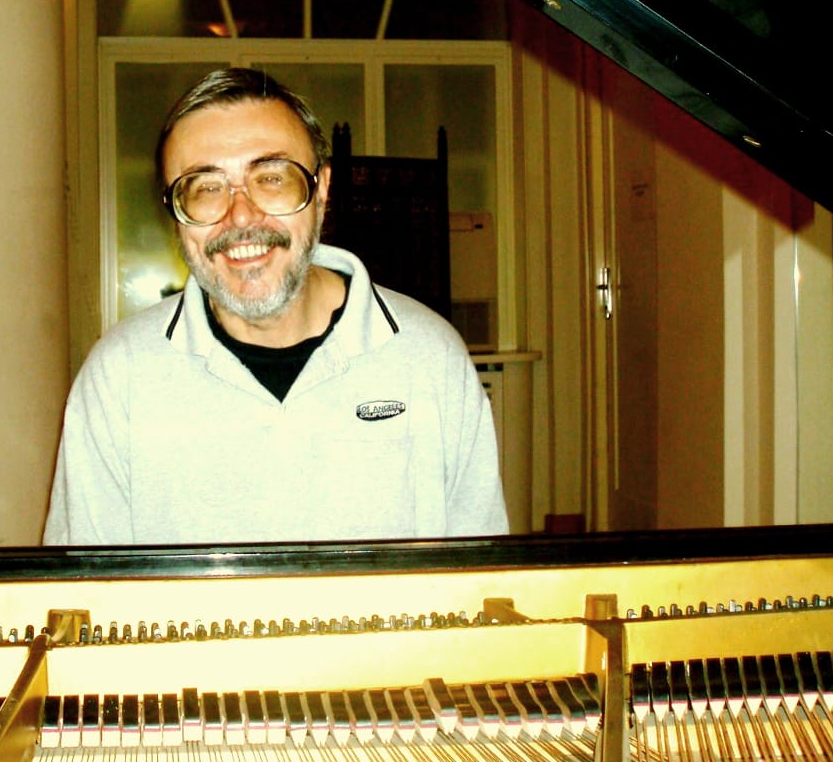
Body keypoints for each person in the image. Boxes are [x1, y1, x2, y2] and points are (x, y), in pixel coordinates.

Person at [43, 67, 508, 545]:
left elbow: (482, 573)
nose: (241, 215)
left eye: (271, 178)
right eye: (206, 187)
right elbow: (86, 582)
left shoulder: (429, 358)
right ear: (177, 214)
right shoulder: (119, 377)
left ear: (321, 190)